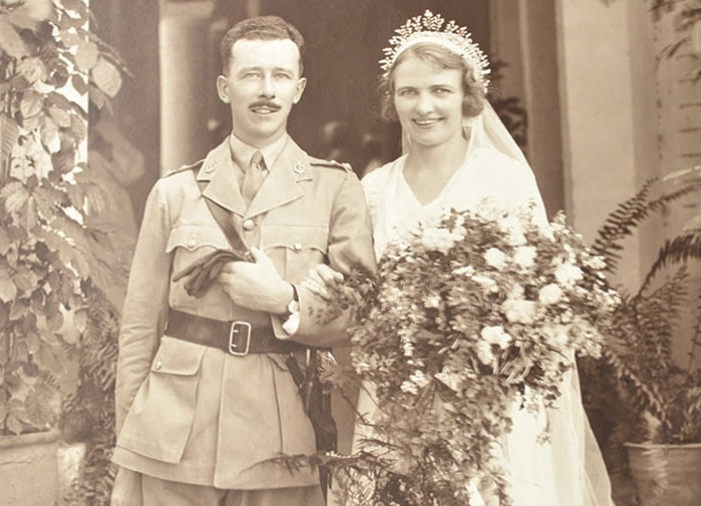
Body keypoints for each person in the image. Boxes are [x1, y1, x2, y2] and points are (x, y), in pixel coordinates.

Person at [302, 10, 615, 506]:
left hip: (486, 403)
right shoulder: (374, 189)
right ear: (393, 99)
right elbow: (357, 295)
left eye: (440, 91)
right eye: (409, 92)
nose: (424, 106)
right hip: (396, 398)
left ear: (467, 97)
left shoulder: (504, 180)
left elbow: (535, 300)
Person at [111, 15, 376, 506]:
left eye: (279, 76)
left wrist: (285, 299)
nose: (266, 90)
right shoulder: (174, 192)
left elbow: (360, 311)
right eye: (251, 75)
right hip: (173, 431)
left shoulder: (336, 189)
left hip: (280, 438)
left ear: (298, 89)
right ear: (223, 86)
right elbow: (140, 324)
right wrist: (132, 431)